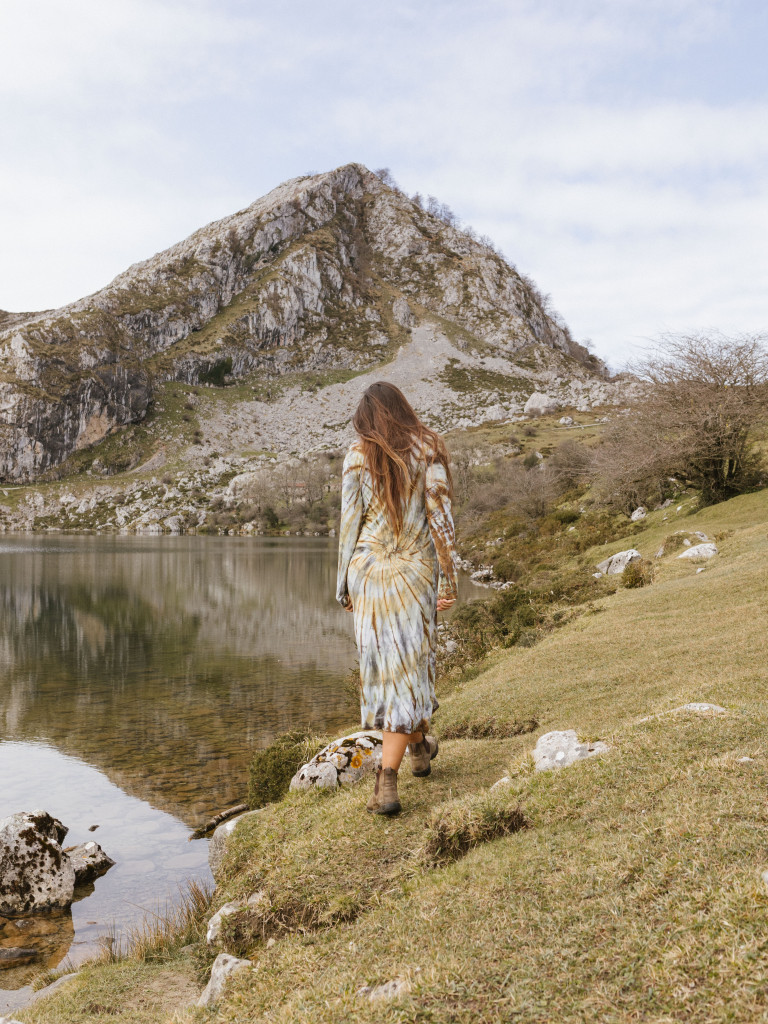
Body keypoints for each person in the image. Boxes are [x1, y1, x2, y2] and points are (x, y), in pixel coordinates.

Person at [336, 381, 458, 815]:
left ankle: (415, 752)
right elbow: (440, 520)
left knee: (391, 669)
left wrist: (343, 585)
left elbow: (349, 525)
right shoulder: (429, 449)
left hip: (367, 571)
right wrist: (448, 581)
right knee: (408, 666)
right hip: (413, 573)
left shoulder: (356, 455)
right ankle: (390, 777)